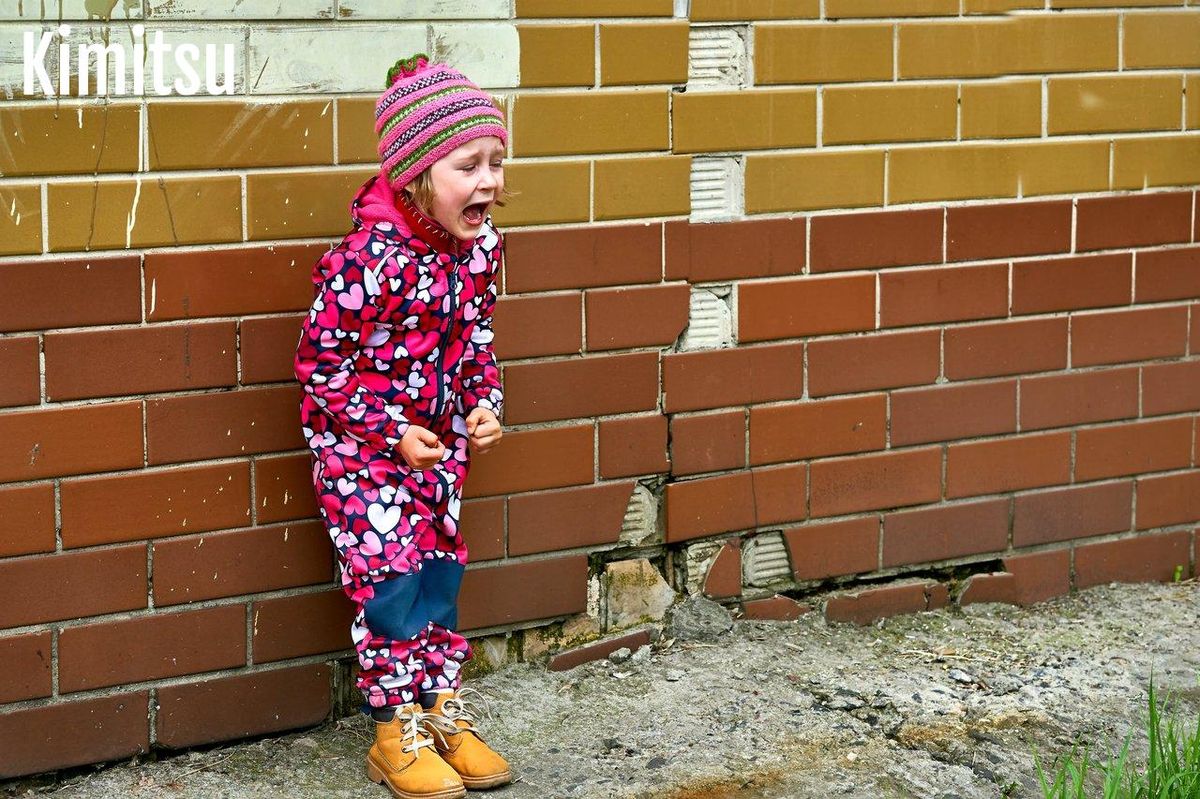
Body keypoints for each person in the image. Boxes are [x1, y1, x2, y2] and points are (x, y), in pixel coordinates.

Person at [294, 52, 510, 799]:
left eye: (496, 163)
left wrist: (486, 404)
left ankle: (440, 706)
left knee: (440, 573)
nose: (489, 182)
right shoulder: (366, 261)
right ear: (418, 172)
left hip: (441, 442)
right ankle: (394, 731)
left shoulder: (480, 250)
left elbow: (478, 336)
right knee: (391, 579)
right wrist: (389, 433)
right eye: (468, 166)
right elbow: (319, 366)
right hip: (362, 452)